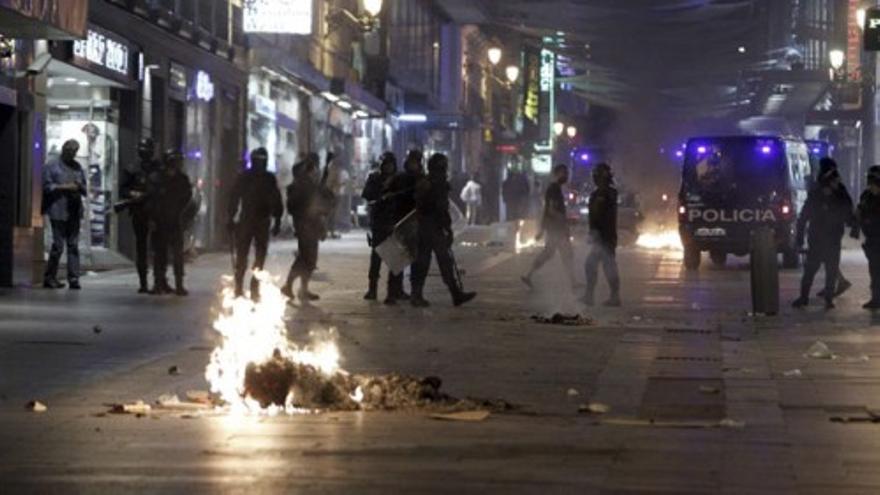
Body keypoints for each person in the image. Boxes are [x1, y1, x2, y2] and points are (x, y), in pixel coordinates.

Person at [410, 153, 477, 308]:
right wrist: (446, 228)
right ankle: (449, 294)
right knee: (435, 261)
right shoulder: (435, 183)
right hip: (431, 226)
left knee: (434, 261)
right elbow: (440, 208)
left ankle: (452, 293)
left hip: (428, 225)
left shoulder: (427, 182)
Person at [792, 168, 855, 310]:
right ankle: (804, 297)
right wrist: (800, 238)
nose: (837, 184)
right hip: (817, 240)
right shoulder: (815, 196)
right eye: (835, 181)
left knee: (831, 271)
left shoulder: (840, 195)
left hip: (832, 239)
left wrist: (854, 224)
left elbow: (848, 213)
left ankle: (828, 299)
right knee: (810, 270)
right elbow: (803, 218)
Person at [228, 148, 284, 300]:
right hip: (248, 220)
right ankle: (240, 286)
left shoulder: (267, 178)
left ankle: (253, 286)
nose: (261, 164)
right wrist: (230, 217)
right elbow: (234, 198)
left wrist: (278, 219)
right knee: (243, 256)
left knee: (257, 256)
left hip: (260, 221)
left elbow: (276, 199)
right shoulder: (246, 177)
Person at [521, 164, 576, 290]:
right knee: (564, 253)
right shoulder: (553, 189)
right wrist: (564, 220)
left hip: (555, 227)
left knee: (551, 253)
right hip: (556, 228)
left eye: (567, 173)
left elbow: (547, 210)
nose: (566, 176)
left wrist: (543, 228)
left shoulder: (555, 188)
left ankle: (529, 275)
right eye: (564, 173)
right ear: (557, 174)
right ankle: (573, 282)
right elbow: (551, 210)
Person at [119, 137, 162, 293]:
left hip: (157, 213)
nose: (145, 152)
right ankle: (143, 282)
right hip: (140, 212)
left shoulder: (159, 168)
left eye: (148, 149)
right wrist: (132, 194)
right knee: (141, 248)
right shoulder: (132, 168)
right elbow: (122, 189)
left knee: (158, 248)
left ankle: (159, 281)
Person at [361, 152, 406, 304]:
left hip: (395, 222)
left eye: (390, 164)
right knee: (376, 258)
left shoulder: (398, 179)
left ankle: (393, 292)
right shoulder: (374, 178)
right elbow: (367, 194)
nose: (388, 167)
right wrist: (381, 192)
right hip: (379, 222)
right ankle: (372, 289)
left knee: (396, 258)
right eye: (385, 164)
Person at [282, 153, 327, 303]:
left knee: (309, 259)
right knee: (305, 258)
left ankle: (303, 289)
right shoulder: (301, 184)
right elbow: (301, 205)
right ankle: (288, 286)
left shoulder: (308, 183)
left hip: (310, 225)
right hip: (304, 225)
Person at [42, 139, 87, 290]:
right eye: (69, 152)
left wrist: (79, 186)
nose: (72, 155)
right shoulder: (51, 166)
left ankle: (74, 278)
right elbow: (47, 187)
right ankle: (50, 277)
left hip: (74, 209)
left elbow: (84, 188)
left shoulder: (77, 167)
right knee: (58, 246)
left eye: (74, 152)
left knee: (73, 245)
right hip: (57, 210)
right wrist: (64, 187)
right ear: (63, 149)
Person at [151, 149, 193, 296]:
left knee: (177, 255)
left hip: (176, 222)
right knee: (159, 254)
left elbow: (188, 199)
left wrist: (184, 217)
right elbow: (152, 199)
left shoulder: (182, 180)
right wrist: (153, 218)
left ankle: (179, 284)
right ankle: (159, 282)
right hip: (160, 221)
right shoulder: (158, 178)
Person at [583, 162, 621, 307]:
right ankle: (592, 296)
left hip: (605, 237)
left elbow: (602, 215)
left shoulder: (608, 193)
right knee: (599, 265)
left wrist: (597, 233)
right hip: (600, 236)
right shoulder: (598, 194)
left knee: (603, 265)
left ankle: (611, 296)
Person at [816, 157, 853, 299]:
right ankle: (834, 284)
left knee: (828, 256)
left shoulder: (835, 183)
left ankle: (835, 285)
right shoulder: (825, 180)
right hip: (825, 226)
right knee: (826, 257)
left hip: (832, 227)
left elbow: (844, 202)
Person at [857, 166, 880, 309]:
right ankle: (876, 299)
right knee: (875, 272)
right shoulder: (866, 196)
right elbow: (860, 211)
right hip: (872, 240)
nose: (872, 187)